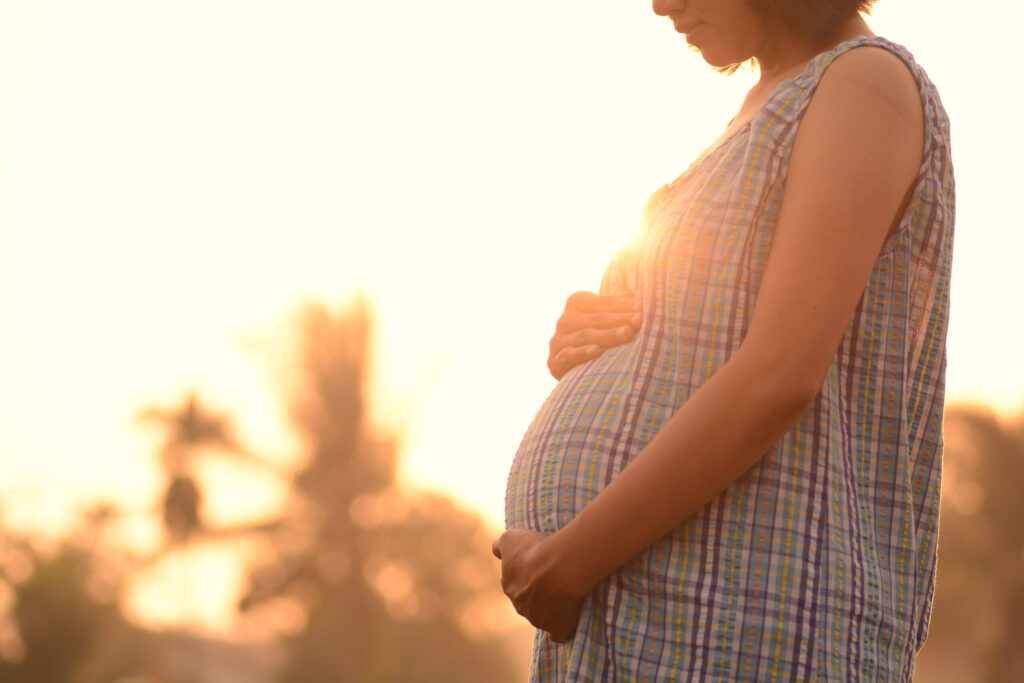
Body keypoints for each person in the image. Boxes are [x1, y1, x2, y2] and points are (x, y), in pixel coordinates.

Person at [493, 0, 954, 681]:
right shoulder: (765, 105)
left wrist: (571, 561)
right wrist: (599, 338)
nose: (661, 4)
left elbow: (781, 371)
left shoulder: (865, 84)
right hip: (660, 620)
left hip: (751, 628)